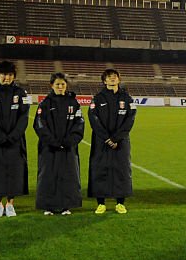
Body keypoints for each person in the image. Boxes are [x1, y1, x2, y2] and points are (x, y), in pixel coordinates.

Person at [0, 60, 30, 217]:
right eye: (4, 74)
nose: (6, 77)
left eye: (10, 75)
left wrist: (14, 135)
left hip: (15, 140)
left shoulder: (20, 93)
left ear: (14, 76)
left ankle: (10, 204)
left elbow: (24, 116)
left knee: (14, 171)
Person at [33, 72, 84, 215]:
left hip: (68, 148)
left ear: (66, 85)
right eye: (57, 84)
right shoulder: (45, 104)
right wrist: (53, 142)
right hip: (49, 148)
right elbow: (39, 125)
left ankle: (66, 206)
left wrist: (69, 141)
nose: (60, 87)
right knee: (48, 176)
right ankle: (48, 206)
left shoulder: (73, 103)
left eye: (62, 84)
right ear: (52, 85)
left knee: (68, 176)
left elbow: (79, 124)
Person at [88, 69, 136, 214]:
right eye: (109, 77)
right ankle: (101, 203)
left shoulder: (127, 98)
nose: (113, 78)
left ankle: (120, 203)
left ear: (119, 80)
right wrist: (107, 138)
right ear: (104, 81)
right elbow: (93, 119)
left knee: (121, 170)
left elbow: (130, 120)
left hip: (121, 141)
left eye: (115, 77)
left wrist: (116, 138)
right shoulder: (97, 98)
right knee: (100, 170)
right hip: (101, 141)